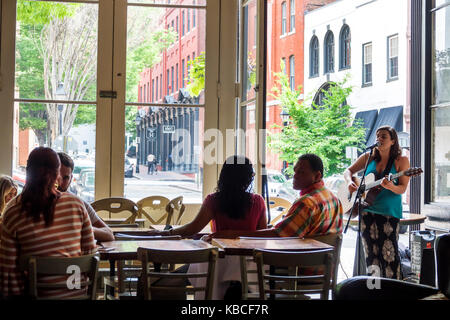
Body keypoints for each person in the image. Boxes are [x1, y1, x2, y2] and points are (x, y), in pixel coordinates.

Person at [147, 155, 267, 299]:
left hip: (217, 261)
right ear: (248, 177)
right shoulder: (258, 201)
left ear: (224, 176)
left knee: (166, 282)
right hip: (248, 266)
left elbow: (192, 229)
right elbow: (262, 235)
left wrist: (166, 233)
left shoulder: (214, 200)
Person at [0, 147, 96, 299]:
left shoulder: (12, 213)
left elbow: (8, 274)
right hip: (76, 293)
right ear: (57, 174)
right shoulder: (76, 205)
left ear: (28, 172)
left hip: (36, 295)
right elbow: (89, 255)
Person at [208, 153, 343, 240]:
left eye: (301, 172)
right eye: (294, 170)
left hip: (298, 270)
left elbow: (278, 235)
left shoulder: (307, 203)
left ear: (317, 176)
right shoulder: (333, 198)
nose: (294, 175)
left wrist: (233, 234)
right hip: (324, 270)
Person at [344, 125, 410, 280]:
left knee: (389, 255)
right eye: (377, 136)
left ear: (393, 141)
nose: (379, 139)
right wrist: (349, 182)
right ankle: (374, 291)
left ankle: (394, 291)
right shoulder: (368, 158)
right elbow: (348, 171)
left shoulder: (402, 161)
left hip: (388, 212)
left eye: (384, 136)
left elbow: (402, 189)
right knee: (371, 256)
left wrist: (391, 186)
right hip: (367, 211)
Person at [57, 152, 114, 242]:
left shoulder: (79, 204)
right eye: (57, 177)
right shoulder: (36, 203)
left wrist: (83, 228)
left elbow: (109, 234)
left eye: (66, 178)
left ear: (71, 179)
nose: (60, 183)